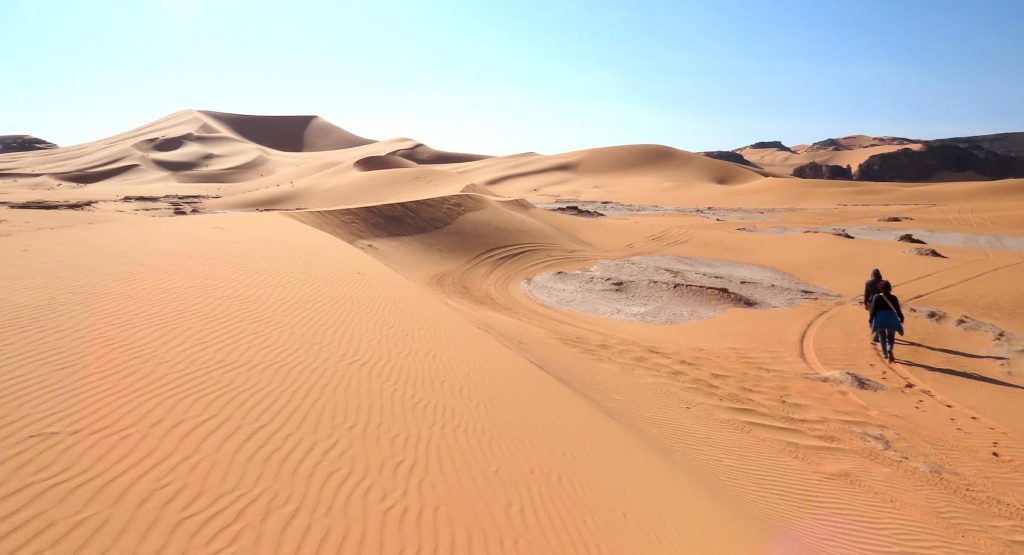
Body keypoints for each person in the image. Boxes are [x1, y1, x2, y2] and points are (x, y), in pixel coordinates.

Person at [869, 280, 905, 362]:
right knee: (891, 336)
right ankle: (890, 349)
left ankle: (885, 354)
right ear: (890, 288)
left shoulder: (877, 297)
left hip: (880, 319)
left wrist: (871, 319)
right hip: (891, 319)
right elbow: (898, 311)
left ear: (881, 288)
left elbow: (873, 310)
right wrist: (901, 318)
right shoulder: (894, 298)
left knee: (882, 335)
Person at [864, 269, 883, 342]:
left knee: (872, 317)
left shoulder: (868, 282)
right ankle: (877, 334)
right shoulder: (882, 282)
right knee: (879, 318)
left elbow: (866, 294)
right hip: (880, 302)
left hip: (871, 302)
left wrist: (865, 303)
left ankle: (874, 332)